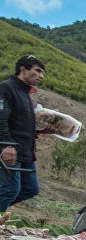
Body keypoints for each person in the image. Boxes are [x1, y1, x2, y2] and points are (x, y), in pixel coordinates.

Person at [0, 55, 44, 213]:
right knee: (9, 189)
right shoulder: (6, 88)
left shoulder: (25, 94)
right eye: (37, 71)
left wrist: (36, 132)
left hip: (25, 151)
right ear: (23, 69)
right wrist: (6, 144)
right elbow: (1, 117)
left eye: (42, 72)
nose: (41, 75)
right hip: (10, 149)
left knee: (30, 189)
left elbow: (17, 121)